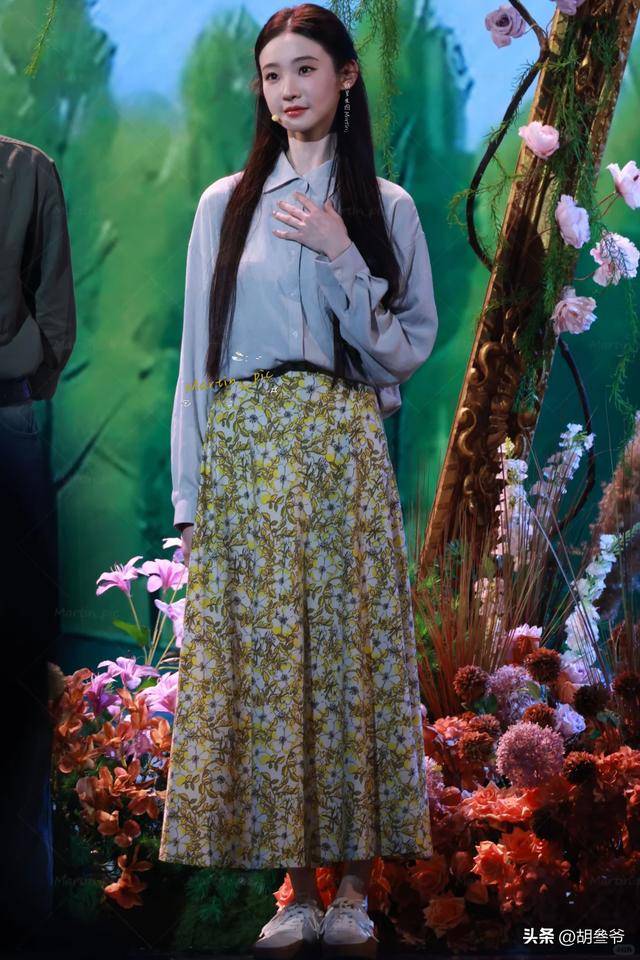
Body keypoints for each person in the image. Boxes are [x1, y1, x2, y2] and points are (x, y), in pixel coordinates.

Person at [158, 5, 438, 958]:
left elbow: (403, 349)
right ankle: (297, 888)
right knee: (271, 667)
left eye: (306, 68)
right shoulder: (223, 204)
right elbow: (196, 360)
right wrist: (191, 499)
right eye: (272, 72)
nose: (287, 88)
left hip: (340, 439)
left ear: (346, 77)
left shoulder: (386, 207)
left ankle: (357, 886)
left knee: (348, 655)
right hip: (246, 449)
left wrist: (339, 248)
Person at [0, 135, 76, 943]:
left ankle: (23, 910)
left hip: (8, 420)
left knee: (20, 659)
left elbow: (56, 318)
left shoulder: (28, 171)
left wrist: (19, 388)